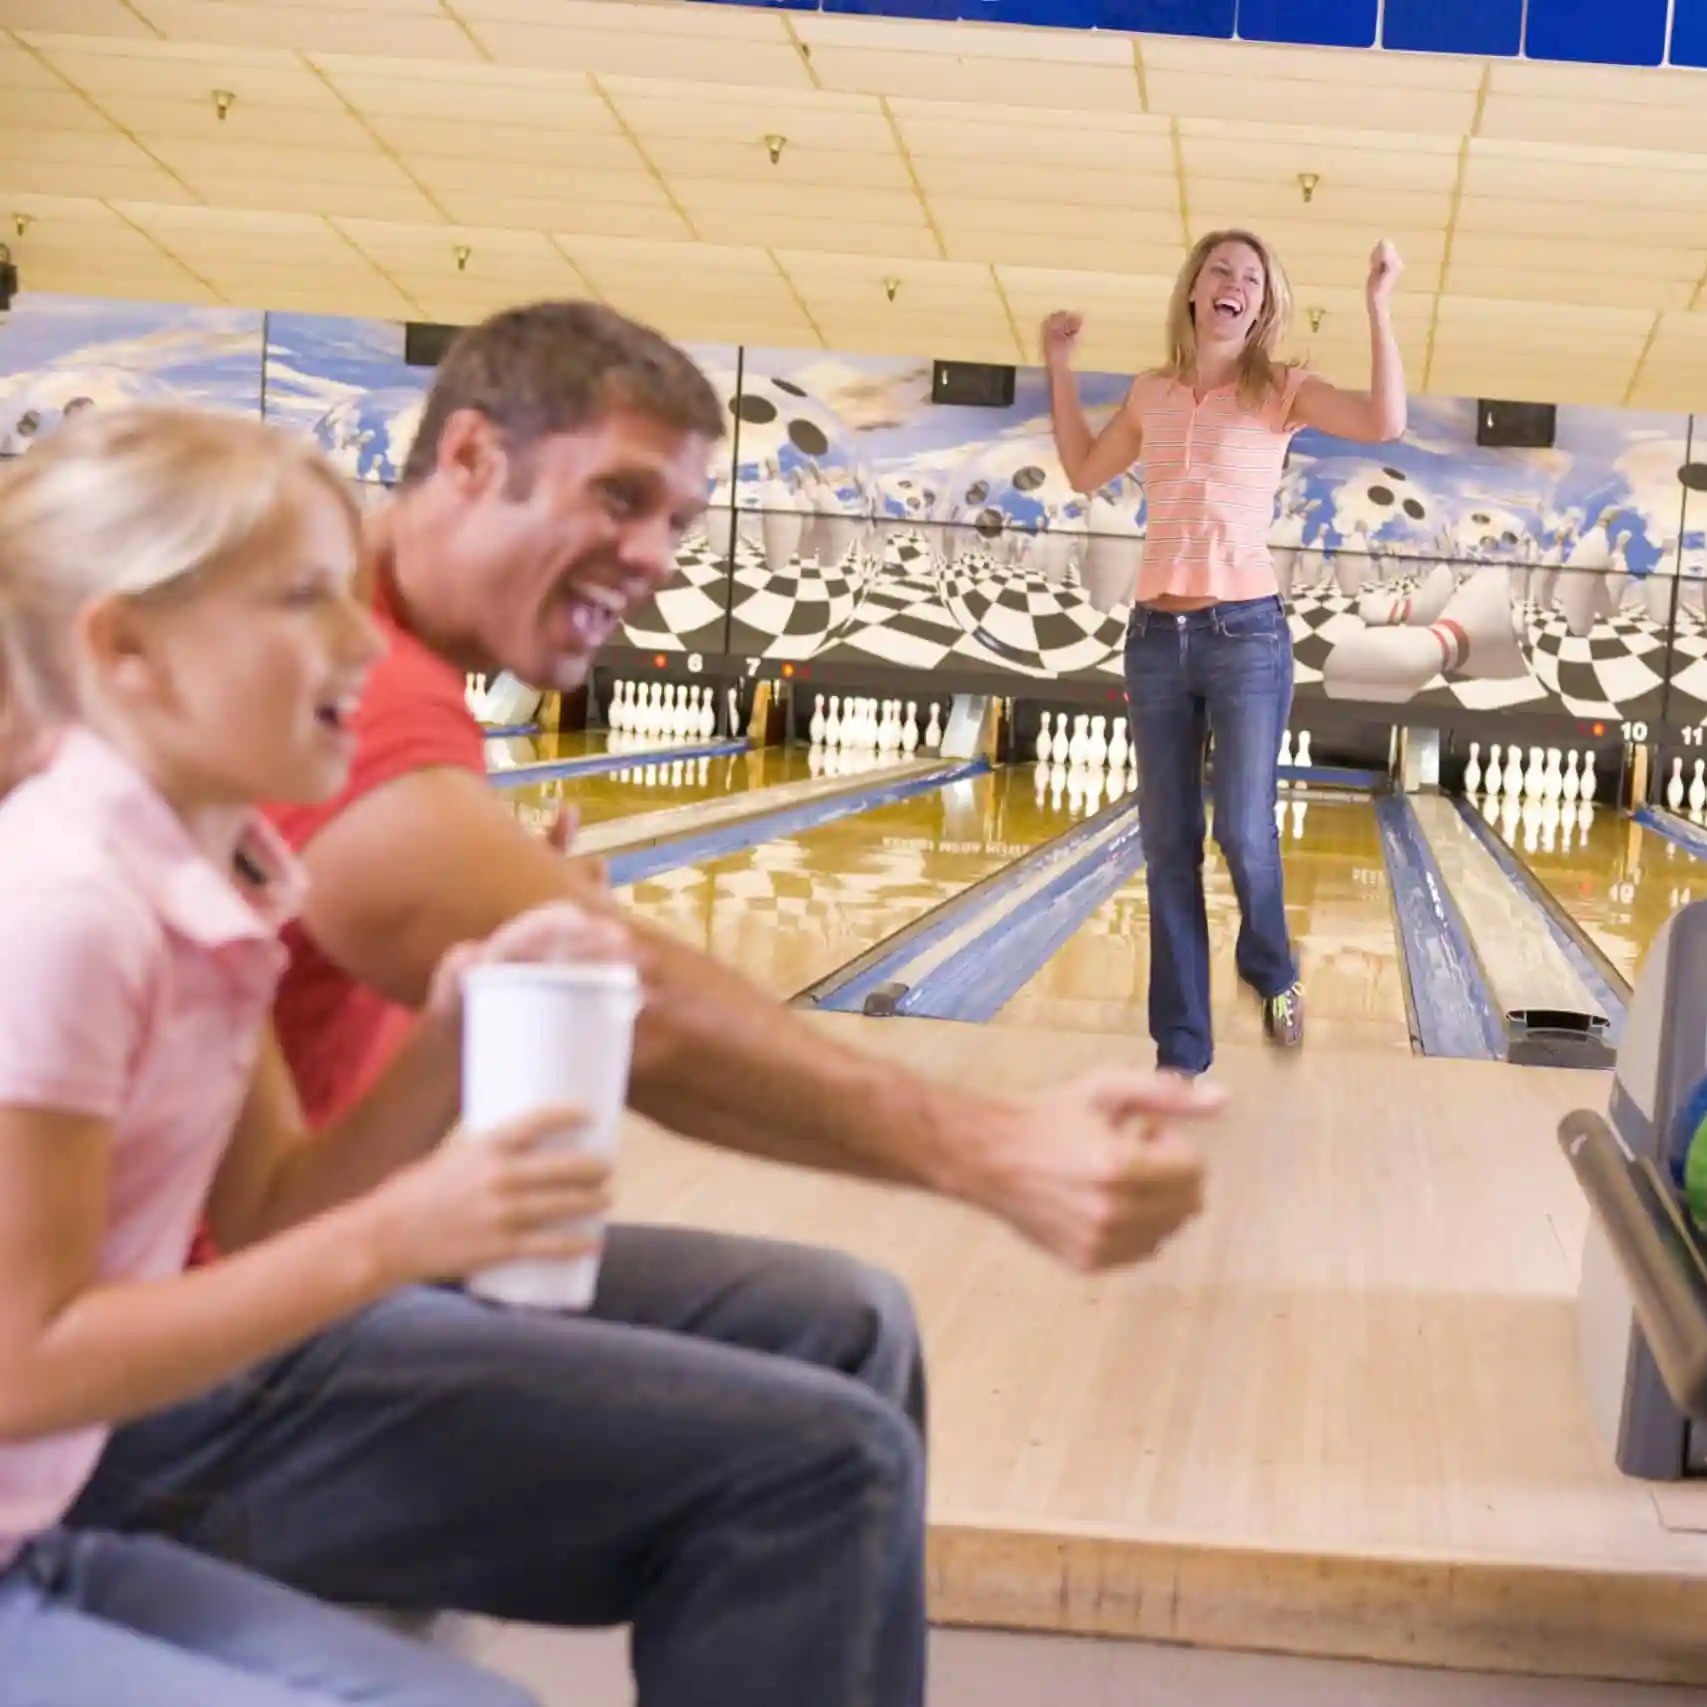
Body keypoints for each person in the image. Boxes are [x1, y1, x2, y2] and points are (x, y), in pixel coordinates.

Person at [65, 303, 1220, 1707]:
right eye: (620, 497)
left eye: (678, 520)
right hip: (175, 1372)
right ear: (470, 458)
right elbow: (646, 1013)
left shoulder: (328, 715)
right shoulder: (318, 714)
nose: (659, 557)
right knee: (815, 1464)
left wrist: (464, 1031)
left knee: (845, 1323)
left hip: (270, 1257)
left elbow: (282, 1179)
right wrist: (993, 1147)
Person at [0, 406, 634, 1704]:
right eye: (305, 597)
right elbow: (22, 1362)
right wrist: (400, 1236)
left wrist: (450, 1040)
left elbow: (273, 1210)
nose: (364, 638)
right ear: (127, 649)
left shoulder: (208, 879)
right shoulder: (66, 906)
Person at [1044, 232, 1407, 1078]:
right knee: (1168, 846)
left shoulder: (1280, 389)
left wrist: (1378, 304)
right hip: (1153, 640)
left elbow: (1384, 422)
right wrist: (1058, 367)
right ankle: (1180, 1051)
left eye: (1250, 278)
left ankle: (1271, 969)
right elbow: (1083, 470)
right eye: (1220, 270)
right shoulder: (1151, 392)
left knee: (1243, 828)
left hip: (1244, 636)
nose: (1233, 283)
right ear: (1194, 289)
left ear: (1262, 305)